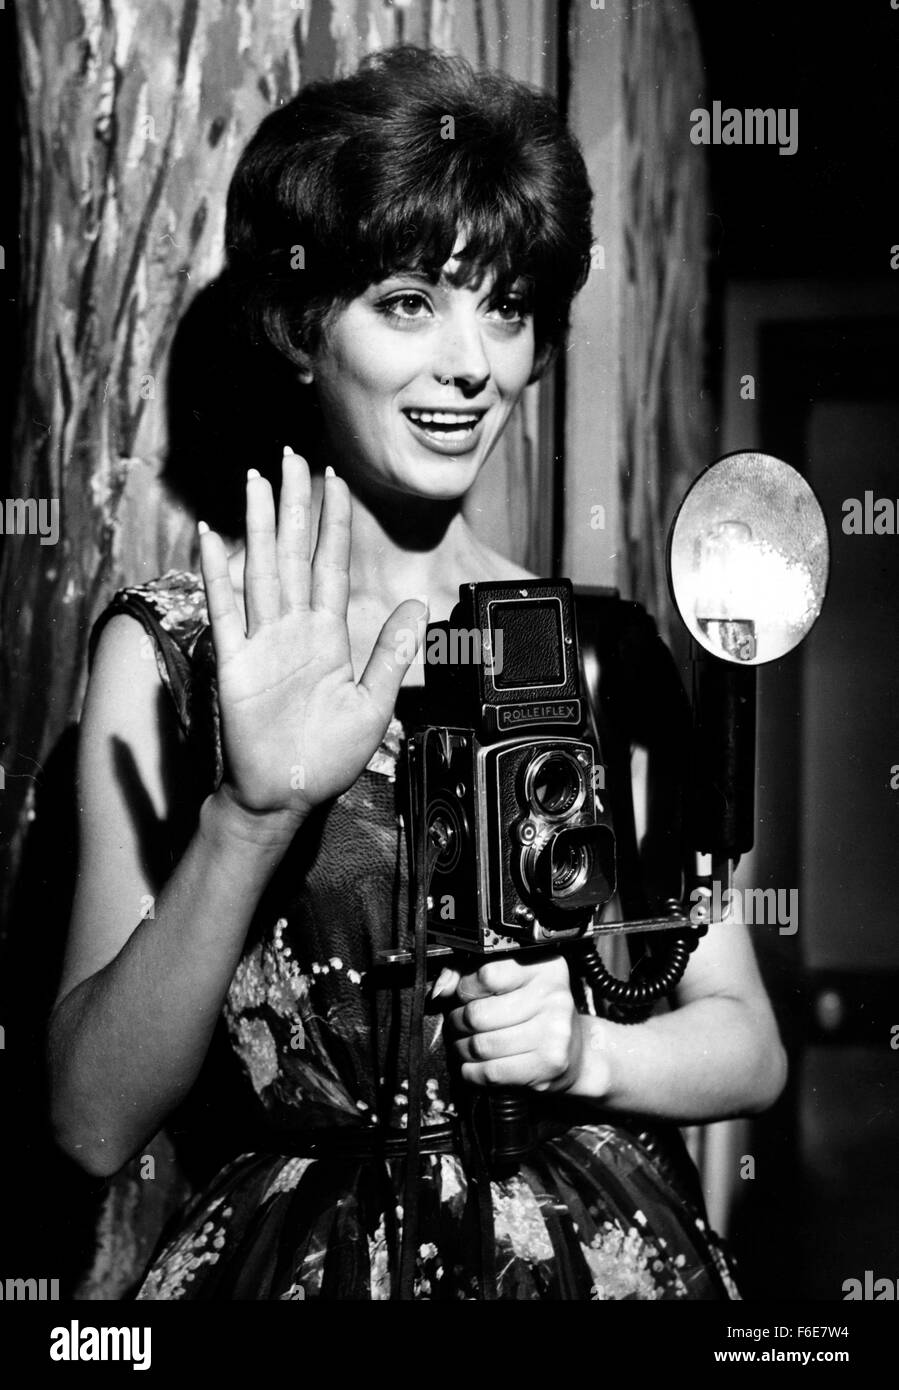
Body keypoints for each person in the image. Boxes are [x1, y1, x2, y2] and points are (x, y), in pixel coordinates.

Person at [48, 46, 786, 1300]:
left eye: (503, 308)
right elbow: (90, 1121)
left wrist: (584, 1054)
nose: (471, 363)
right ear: (300, 327)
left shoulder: (603, 650)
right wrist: (250, 816)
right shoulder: (171, 652)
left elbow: (745, 1042)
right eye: (407, 302)